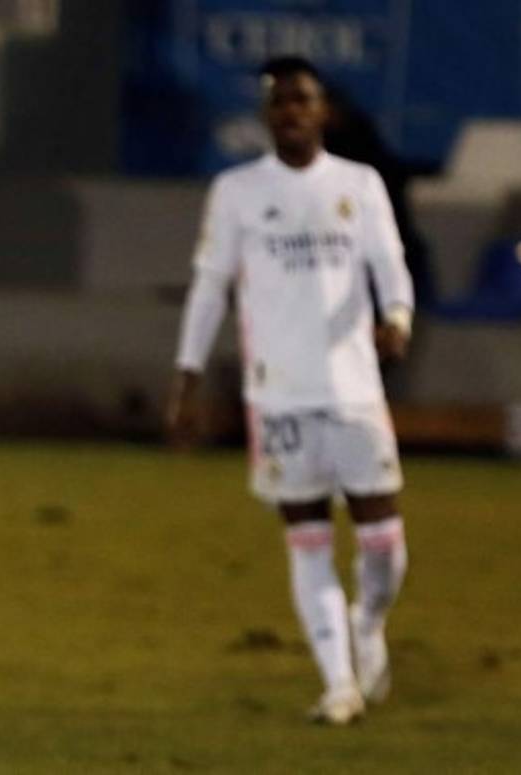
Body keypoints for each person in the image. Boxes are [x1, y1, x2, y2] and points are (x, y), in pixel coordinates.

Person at [166, 57, 413, 726]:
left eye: (302, 99)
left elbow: (390, 264)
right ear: (266, 115)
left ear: (322, 111)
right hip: (278, 396)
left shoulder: (359, 184)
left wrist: (397, 318)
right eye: (279, 101)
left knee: (383, 542)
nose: (291, 111)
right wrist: (187, 377)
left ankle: (369, 620)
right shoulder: (238, 191)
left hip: (355, 390)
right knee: (307, 536)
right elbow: (211, 287)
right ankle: (339, 685)